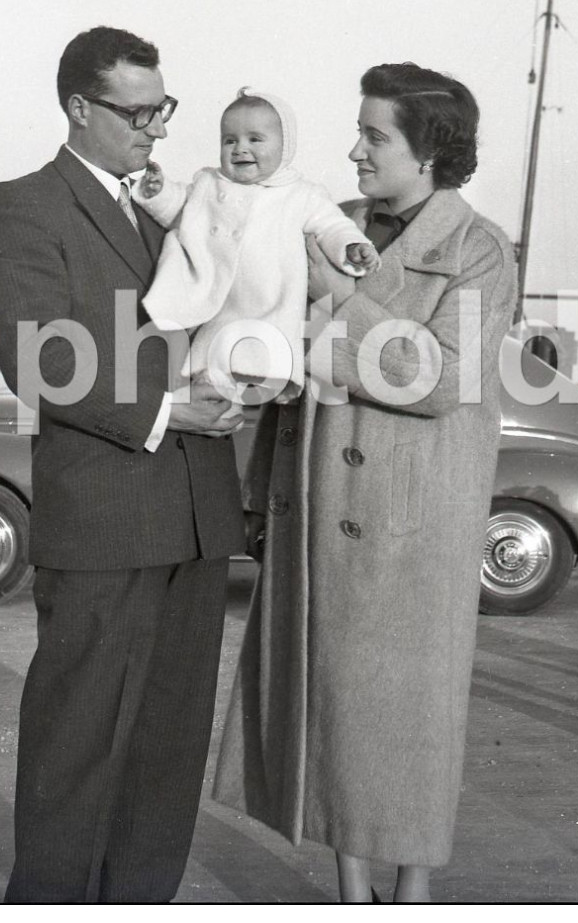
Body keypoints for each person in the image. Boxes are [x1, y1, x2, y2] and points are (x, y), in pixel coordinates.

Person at [212, 62, 516, 903]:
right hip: (318, 503)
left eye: (374, 135)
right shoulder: (331, 224)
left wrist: (338, 304)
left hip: (413, 525)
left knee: (410, 722)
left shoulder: (477, 249)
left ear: (429, 152)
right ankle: (353, 893)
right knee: (336, 714)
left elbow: (443, 379)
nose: (352, 151)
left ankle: (411, 893)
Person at [0, 26, 246, 903]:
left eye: (162, 109)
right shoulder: (23, 205)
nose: (155, 129)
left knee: (166, 751)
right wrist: (169, 409)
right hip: (104, 521)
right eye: (136, 112)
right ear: (79, 108)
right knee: (78, 742)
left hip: (198, 516)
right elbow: (38, 355)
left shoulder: (172, 207)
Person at [135, 86, 379, 405]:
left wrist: (350, 247)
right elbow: (181, 210)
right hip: (219, 296)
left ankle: (267, 379)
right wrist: (158, 191)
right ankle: (212, 384)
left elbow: (331, 225)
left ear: (284, 146)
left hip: (271, 299)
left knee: (265, 347)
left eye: (255, 139)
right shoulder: (209, 183)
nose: (240, 149)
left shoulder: (301, 193)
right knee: (214, 353)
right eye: (230, 140)